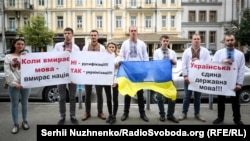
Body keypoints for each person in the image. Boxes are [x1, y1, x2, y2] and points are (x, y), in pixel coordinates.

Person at [212, 34, 245, 125]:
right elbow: (214, 65)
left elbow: (241, 69)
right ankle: (220, 117)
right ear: (224, 41)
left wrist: (239, 83)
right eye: (228, 40)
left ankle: (237, 119)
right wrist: (222, 62)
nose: (230, 42)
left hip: (234, 82)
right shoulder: (219, 53)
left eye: (231, 40)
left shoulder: (240, 54)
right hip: (222, 81)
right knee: (220, 101)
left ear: (235, 41)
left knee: (235, 102)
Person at [119, 25, 149, 122]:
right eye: (131, 30)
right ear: (129, 32)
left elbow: (145, 57)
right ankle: (125, 113)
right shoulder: (124, 44)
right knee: (127, 93)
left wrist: (145, 70)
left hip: (139, 72)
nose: (133, 32)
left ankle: (142, 113)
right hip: (128, 72)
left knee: (140, 94)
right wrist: (124, 66)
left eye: (135, 30)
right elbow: (122, 56)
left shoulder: (142, 44)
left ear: (137, 32)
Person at [179, 33, 211, 122]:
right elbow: (184, 64)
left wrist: (199, 62)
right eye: (194, 39)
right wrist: (185, 76)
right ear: (191, 40)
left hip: (199, 78)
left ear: (200, 40)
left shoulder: (205, 51)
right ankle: (184, 113)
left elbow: (208, 63)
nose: (196, 40)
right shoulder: (187, 51)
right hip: (189, 78)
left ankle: (197, 113)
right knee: (186, 96)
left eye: (198, 39)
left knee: (197, 97)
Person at [53, 27, 80, 125]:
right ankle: (62, 116)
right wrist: (64, 53)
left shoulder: (76, 48)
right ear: (63, 35)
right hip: (61, 74)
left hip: (72, 75)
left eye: (69, 33)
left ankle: (73, 116)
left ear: (72, 35)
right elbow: (53, 58)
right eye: (65, 33)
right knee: (62, 97)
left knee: (72, 96)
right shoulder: (57, 46)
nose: (67, 35)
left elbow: (78, 61)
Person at [4, 38, 30, 134]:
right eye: (18, 44)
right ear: (14, 45)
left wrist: (26, 81)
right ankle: (15, 124)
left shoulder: (27, 56)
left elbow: (33, 68)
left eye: (22, 44)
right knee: (14, 104)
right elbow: (7, 71)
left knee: (25, 103)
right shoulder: (8, 57)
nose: (20, 46)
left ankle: (24, 121)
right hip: (14, 85)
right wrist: (15, 83)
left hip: (26, 84)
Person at [153, 35, 179, 123]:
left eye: (167, 41)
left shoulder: (172, 52)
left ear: (169, 42)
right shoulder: (156, 52)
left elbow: (175, 66)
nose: (165, 42)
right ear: (161, 42)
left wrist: (174, 62)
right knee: (160, 97)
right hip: (159, 78)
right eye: (164, 41)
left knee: (172, 96)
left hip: (169, 78)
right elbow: (156, 64)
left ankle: (170, 115)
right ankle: (162, 114)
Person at [81, 29, 106, 121]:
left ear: (97, 36)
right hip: (88, 74)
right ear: (90, 37)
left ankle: (100, 112)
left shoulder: (102, 48)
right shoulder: (85, 47)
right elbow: (82, 60)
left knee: (99, 94)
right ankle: (87, 112)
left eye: (95, 35)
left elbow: (104, 61)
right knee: (87, 94)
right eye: (91, 35)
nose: (93, 37)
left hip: (99, 74)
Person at [103, 42, 120, 124]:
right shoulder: (104, 57)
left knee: (115, 98)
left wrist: (116, 81)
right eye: (110, 47)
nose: (111, 48)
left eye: (113, 47)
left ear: (115, 48)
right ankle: (110, 114)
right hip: (106, 79)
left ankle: (114, 115)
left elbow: (119, 71)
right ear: (107, 48)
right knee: (108, 98)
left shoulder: (118, 58)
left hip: (115, 80)